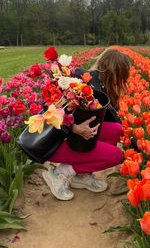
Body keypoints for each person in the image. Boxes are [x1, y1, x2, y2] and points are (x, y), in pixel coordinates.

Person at [42, 48, 131, 201]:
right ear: (115, 71)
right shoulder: (79, 80)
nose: (121, 81)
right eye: (121, 76)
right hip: (55, 143)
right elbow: (48, 108)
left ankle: (82, 176)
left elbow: (115, 121)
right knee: (116, 156)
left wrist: (135, 142)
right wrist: (74, 128)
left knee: (116, 129)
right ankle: (59, 173)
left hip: (74, 140)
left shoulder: (101, 85)